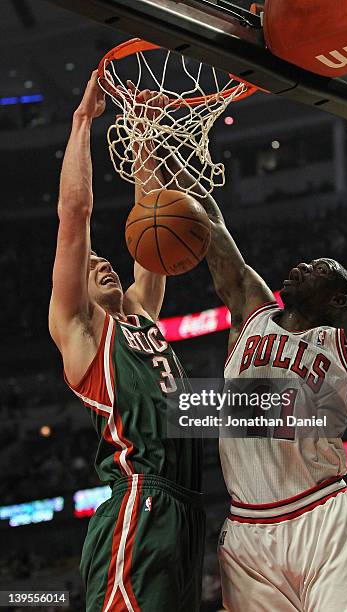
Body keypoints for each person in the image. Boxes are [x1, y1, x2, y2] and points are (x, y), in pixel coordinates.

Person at [161, 156, 347, 610]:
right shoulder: (251, 310)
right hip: (247, 532)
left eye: (318, 268)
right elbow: (212, 222)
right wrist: (163, 157)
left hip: (323, 516)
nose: (302, 265)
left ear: (336, 299)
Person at [49, 72, 205, 612]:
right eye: (91, 266)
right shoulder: (82, 331)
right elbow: (75, 218)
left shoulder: (141, 311)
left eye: (104, 258)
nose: (102, 261)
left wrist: (141, 134)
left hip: (186, 508)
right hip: (140, 503)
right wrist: (83, 121)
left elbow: (151, 215)